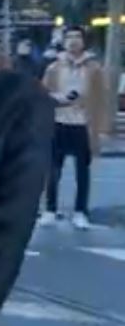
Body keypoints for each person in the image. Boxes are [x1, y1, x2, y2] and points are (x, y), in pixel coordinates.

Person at [40, 25, 113, 230]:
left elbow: (102, 99)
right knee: (53, 170)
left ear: (83, 42)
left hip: (83, 125)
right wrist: (59, 98)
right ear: (63, 42)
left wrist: (103, 129)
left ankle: (81, 211)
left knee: (83, 171)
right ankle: (50, 209)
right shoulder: (54, 68)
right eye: (69, 37)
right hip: (58, 122)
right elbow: (42, 93)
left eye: (77, 37)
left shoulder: (94, 68)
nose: (73, 41)